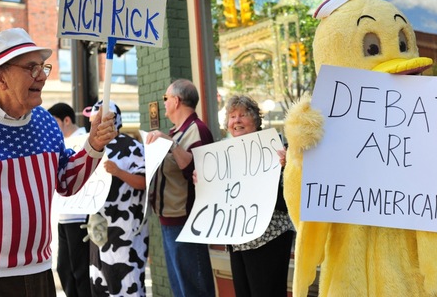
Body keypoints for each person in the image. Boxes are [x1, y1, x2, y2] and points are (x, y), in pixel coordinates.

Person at [0, 28, 117, 297]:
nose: (41, 75)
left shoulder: (45, 122)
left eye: (42, 66)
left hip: (37, 271)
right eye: (31, 67)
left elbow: (65, 182)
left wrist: (94, 145)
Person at [145, 78, 215, 297]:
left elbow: (197, 172)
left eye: (166, 98)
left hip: (186, 221)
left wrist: (170, 144)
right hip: (171, 219)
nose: (163, 103)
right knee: (181, 288)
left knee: (193, 288)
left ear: (176, 100)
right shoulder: (177, 131)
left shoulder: (197, 130)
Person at [222, 95, 294, 297]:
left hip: (269, 237)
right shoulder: (224, 155)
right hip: (238, 241)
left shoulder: (278, 147)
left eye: (242, 115)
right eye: (232, 116)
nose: (236, 121)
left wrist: (289, 166)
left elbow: (292, 192)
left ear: (255, 119)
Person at [85, 100, 149, 297]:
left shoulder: (132, 147)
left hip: (126, 230)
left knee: (127, 286)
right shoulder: (92, 148)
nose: (93, 125)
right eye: (92, 121)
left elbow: (143, 181)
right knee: (100, 283)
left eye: (97, 120)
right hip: (99, 229)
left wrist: (118, 172)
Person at [47, 102, 91, 297]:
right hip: (63, 214)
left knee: (81, 270)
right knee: (63, 268)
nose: (51, 127)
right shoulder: (56, 144)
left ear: (67, 120)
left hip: (81, 215)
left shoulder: (86, 140)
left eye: (54, 122)